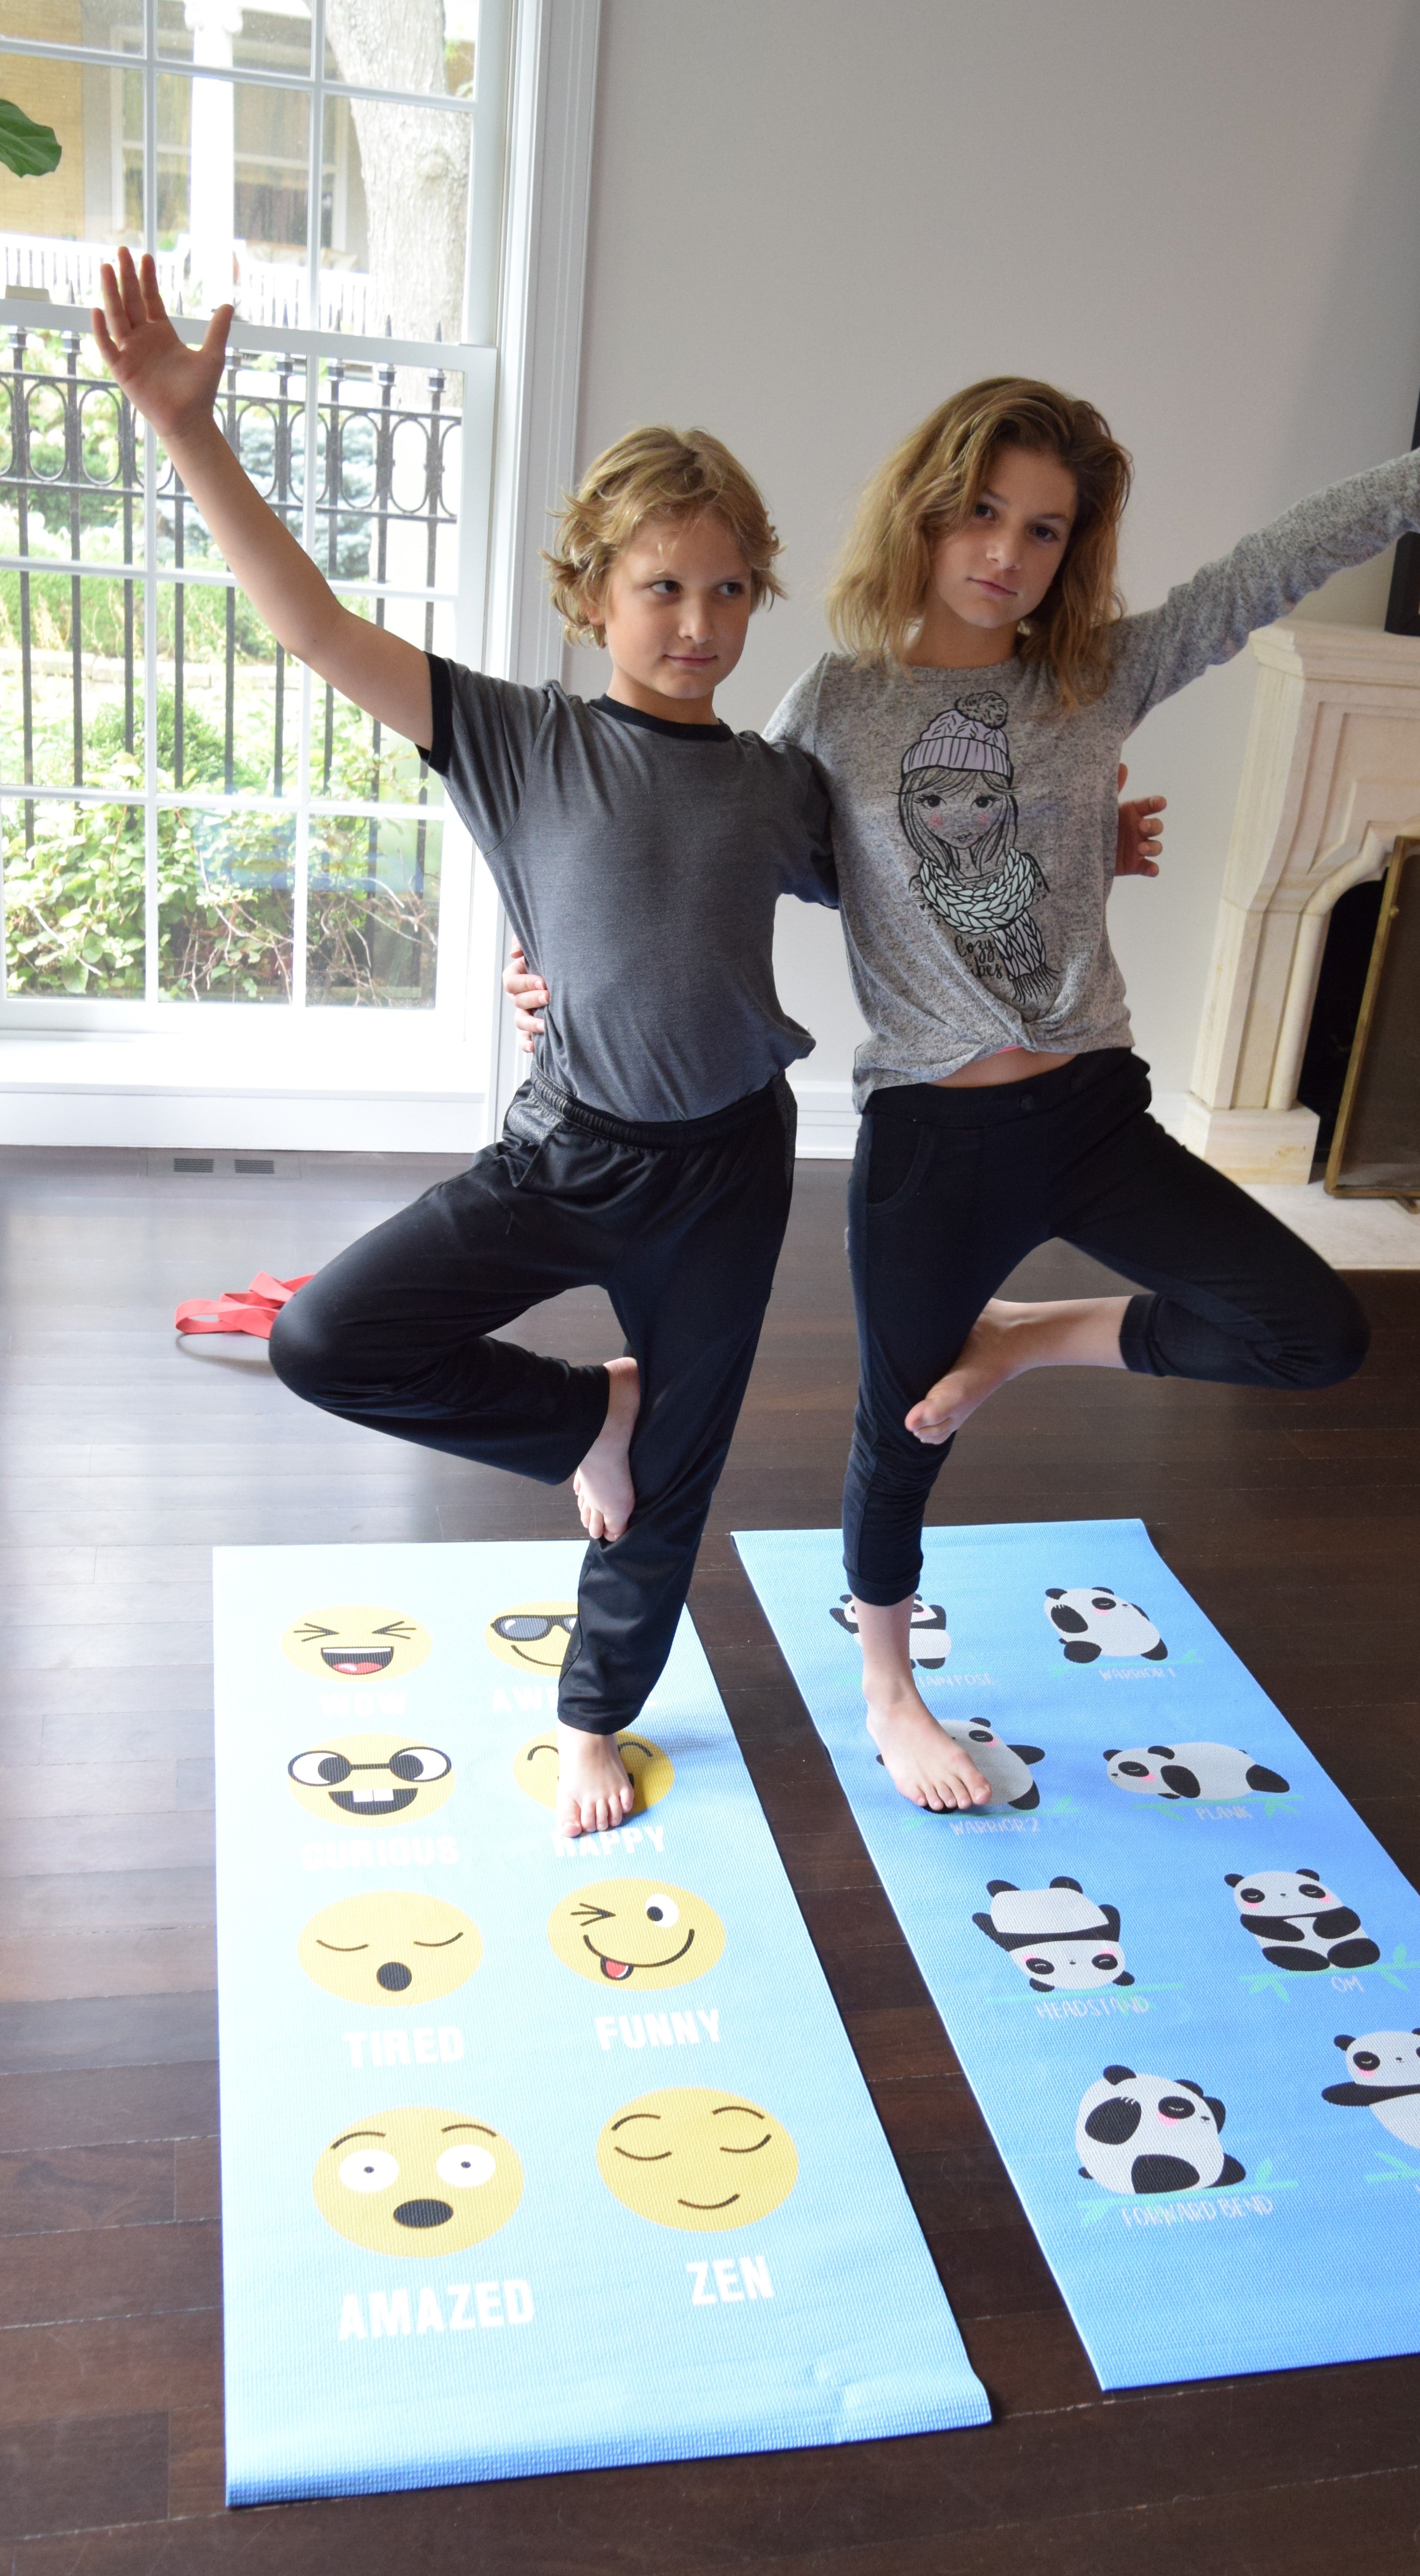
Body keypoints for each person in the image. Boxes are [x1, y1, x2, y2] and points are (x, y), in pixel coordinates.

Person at [753, 367, 1420, 1814]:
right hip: (935, 1131)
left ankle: (1024, 1343)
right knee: (901, 1425)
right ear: (926, 510)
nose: (1007, 552)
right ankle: (887, 1688)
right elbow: (781, 861)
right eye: (984, 512)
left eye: (1047, 531)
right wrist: (567, 978)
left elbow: (1277, 560)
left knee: (1313, 1332)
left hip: (1093, 1107)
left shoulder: (1091, 672)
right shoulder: (839, 698)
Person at [91, 247, 840, 1839]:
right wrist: (185, 429)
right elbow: (311, 627)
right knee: (326, 1342)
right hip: (565, 1150)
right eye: (662, 585)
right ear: (591, 598)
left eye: (726, 588)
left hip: (726, 1170)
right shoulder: (520, 735)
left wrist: (1073, 850)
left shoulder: (776, 782)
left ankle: (594, 1714)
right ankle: (590, 1413)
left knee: (676, 1490)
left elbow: (906, 892)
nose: (698, 620)